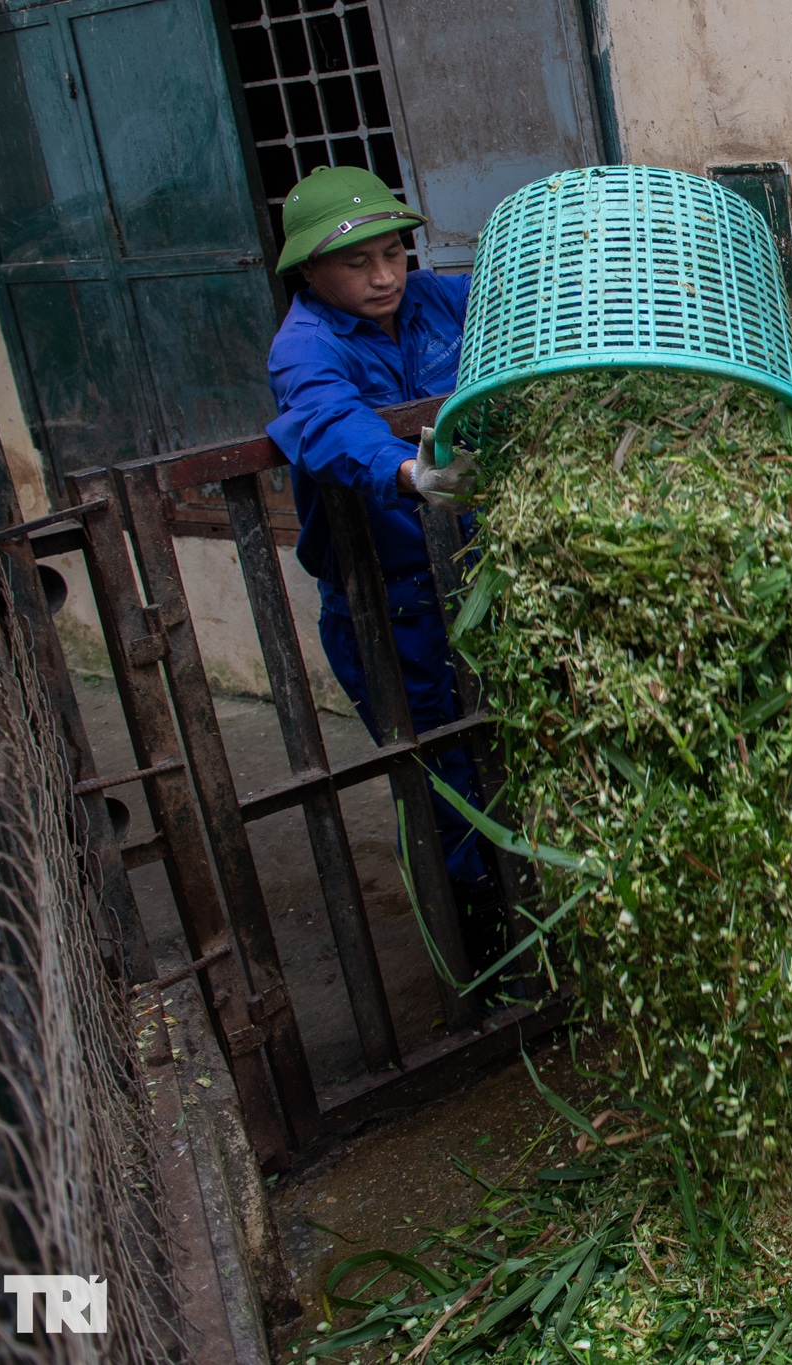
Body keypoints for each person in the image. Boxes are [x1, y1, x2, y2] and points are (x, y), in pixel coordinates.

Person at [264, 166, 497, 955]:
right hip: (391, 605)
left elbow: (523, 314)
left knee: (511, 752)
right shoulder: (304, 347)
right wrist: (405, 470)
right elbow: (325, 421)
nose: (384, 276)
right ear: (306, 271)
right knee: (443, 779)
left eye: (395, 253)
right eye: (357, 263)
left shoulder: (437, 298)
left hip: (477, 578)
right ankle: (478, 952)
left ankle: (529, 919)